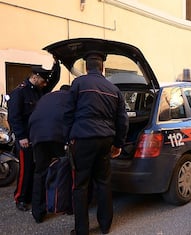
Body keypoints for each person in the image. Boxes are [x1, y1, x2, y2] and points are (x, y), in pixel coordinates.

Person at [64, 51, 128, 235]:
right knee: (103, 182)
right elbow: (122, 121)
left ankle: (81, 230)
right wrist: (118, 144)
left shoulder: (78, 84)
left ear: (86, 67)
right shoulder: (114, 89)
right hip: (105, 140)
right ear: (103, 68)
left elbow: (68, 114)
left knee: (81, 185)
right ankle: (105, 225)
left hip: (83, 139)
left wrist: (68, 138)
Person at [7, 62, 60, 212]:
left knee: (36, 167)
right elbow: (14, 117)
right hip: (24, 137)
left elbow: (52, 81)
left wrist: (57, 64)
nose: (45, 85)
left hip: (36, 136)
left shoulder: (39, 90)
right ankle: (20, 198)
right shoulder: (19, 92)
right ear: (35, 77)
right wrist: (21, 136)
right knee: (26, 168)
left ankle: (30, 195)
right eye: (43, 81)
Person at [28, 85, 71, 223]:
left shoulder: (46, 97)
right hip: (57, 135)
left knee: (40, 172)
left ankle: (38, 213)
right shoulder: (69, 98)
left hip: (37, 135)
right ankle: (64, 205)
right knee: (63, 169)